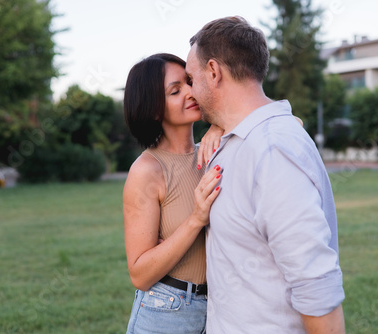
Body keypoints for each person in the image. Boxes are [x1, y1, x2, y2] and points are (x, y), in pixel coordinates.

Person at [185, 16, 346, 333]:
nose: (189, 91)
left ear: (214, 72)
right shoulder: (239, 139)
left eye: (191, 78)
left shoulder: (272, 151)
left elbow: (314, 283)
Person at [123, 53, 223, 334]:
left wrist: (221, 124)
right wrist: (195, 219)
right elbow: (139, 274)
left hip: (220, 310)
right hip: (167, 312)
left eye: (190, 82)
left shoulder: (216, 148)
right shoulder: (147, 170)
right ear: (154, 108)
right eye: (175, 90)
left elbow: (288, 124)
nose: (191, 93)